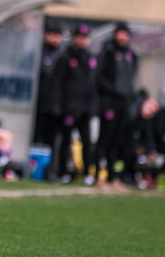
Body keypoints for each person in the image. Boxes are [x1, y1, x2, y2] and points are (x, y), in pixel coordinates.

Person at [95, 22, 138, 186]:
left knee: (116, 142)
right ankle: (98, 175)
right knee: (104, 140)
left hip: (123, 105)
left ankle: (113, 177)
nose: (122, 37)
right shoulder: (107, 53)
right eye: (120, 33)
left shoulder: (131, 55)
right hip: (109, 104)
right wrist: (115, 91)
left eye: (125, 34)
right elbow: (100, 79)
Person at [53, 24, 97, 184]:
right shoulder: (66, 58)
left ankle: (87, 173)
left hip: (86, 109)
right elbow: (57, 85)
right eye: (80, 37)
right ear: (74, 38)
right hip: (69, 108)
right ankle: (63, 172)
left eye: (85, 38)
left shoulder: (91, 59)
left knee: (86, 142)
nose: (83, 41)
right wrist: (59, 107)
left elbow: (93, 86)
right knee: (66, 141)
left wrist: (93, 108)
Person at [33, 21, 63, 163]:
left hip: (55, 106)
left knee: (52, 139)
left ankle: (49, 168)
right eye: (52, 35)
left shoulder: (63, 55)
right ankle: (34, 166)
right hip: (39, 103)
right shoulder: (38, 53)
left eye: (57, 35)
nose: (55, 39)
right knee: (36, 135)